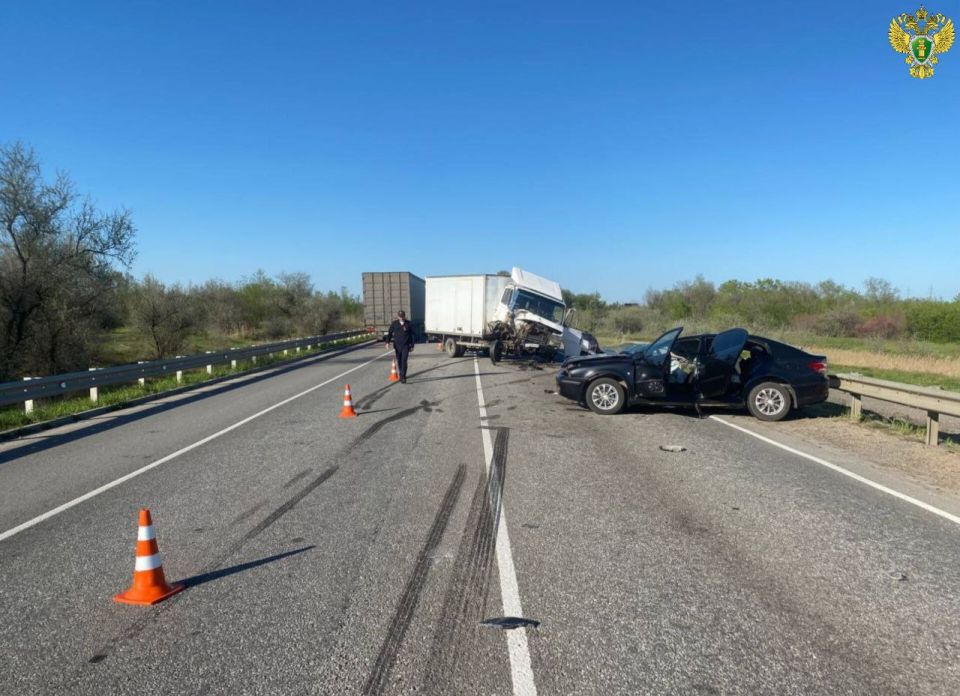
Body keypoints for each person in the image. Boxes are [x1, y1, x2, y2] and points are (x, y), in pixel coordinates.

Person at [386, 310, 415, 383]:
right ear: (398, 316)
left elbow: (412, 335)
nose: (401, 318)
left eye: (402, 316)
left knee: (404, 360)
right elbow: (389, 333)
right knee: (399, 361)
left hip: (406, 345)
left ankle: (403, 376)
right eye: (400, 316)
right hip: (397, 346)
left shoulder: (408, 323)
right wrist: (387, 342)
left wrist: (412, 345)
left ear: (404, 316)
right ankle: (401, 374)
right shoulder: (394, 324)